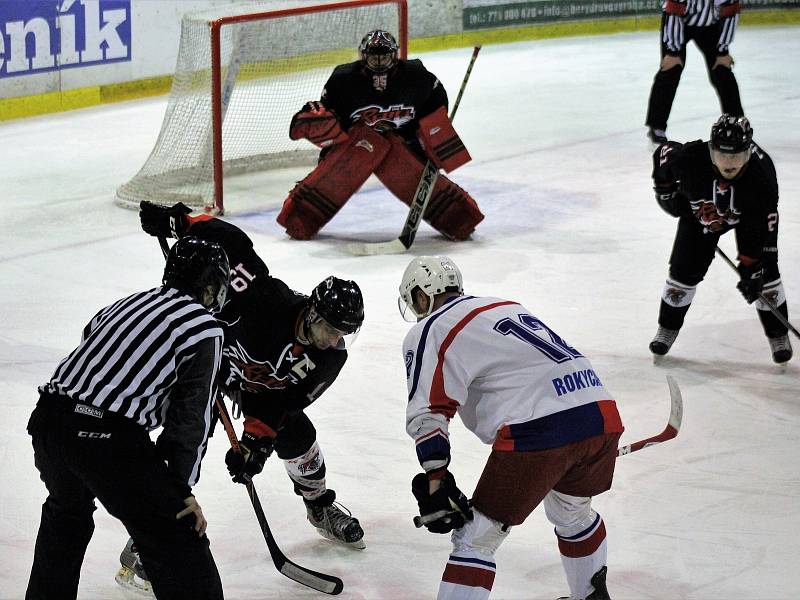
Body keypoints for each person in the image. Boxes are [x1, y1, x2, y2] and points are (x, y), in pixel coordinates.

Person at [139, 201, 367, 553]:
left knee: (299, 436)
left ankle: (319, 506)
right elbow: (230, 240)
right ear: (311, 313)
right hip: (205, 366)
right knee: (184, 443)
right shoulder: (266, 301)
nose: (336, 341)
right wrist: (179, 220)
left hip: (253, 386)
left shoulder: (329, 358)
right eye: (332, 329)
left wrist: (255, 443)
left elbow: (283, 402)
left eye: (344, 334)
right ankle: (146, 542)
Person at [398, 256, 623, 600]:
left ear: (423, 296)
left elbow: (429, 411)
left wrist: (435, 477)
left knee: (476, 538)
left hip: (541, 430)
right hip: (601, 415)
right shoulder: (504, 305)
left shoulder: (433, 327)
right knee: (572, 512)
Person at [26, 236, 229, 600]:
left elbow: (95, 351)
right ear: (211, 288)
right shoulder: (205, 328)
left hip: (48, 421)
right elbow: (189, 422)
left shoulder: (124, 304)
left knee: (66, 516)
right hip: (104, 436)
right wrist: (179, 491)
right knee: (179, 537)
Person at [277, 29, 484, 241]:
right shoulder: (343, 80)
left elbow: (436, 103)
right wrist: (319, 121)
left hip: (405, 141)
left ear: (394, 55)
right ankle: (302, 213)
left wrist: (433, 135)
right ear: (362, 56)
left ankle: (458, 216)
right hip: (356, 142)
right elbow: (332, 118)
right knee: (357, 149)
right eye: (373, 57)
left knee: (410, 168)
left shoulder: (416, 76)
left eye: (383, 57)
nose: (378, 62)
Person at [649, 114, 792, 364]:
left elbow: (764, 228)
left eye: (736, 156)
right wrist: (665, 190)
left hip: (747, 219)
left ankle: (778, 334)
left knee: (765, 273)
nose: (728, 163)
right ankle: (667, 328)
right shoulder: (691, 158)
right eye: (722, 155)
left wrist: (752, 267)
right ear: (711, 150)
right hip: (701, 216)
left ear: (748, 152)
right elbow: (663, 154)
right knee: (683, 271)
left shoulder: (762, 177)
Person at [644, 0, 743, 145]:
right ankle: (657, 127)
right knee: (670, 70)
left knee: (722, 71)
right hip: (679, 24)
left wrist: (722, 50)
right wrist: (673, 51)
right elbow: (673, 12)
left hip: (711, 26)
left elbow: (730, 11)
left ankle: (736, 122)